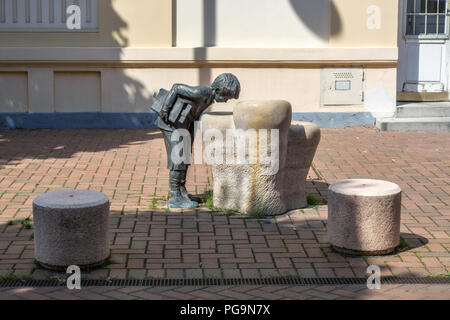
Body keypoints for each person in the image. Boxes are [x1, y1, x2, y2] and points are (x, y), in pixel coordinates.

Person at [154, 73, 241, 208]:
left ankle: (182, 191)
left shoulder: (209, 98)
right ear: (217, 90)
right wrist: (166, 108)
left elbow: (194, 112)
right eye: (226, 97)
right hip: (171, 125)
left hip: (184, 126)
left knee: (185, 158)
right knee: (178, 158)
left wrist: (191, 132)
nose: (225, 101)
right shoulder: (202, 92)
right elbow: (176, 88)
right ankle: (175, 196)